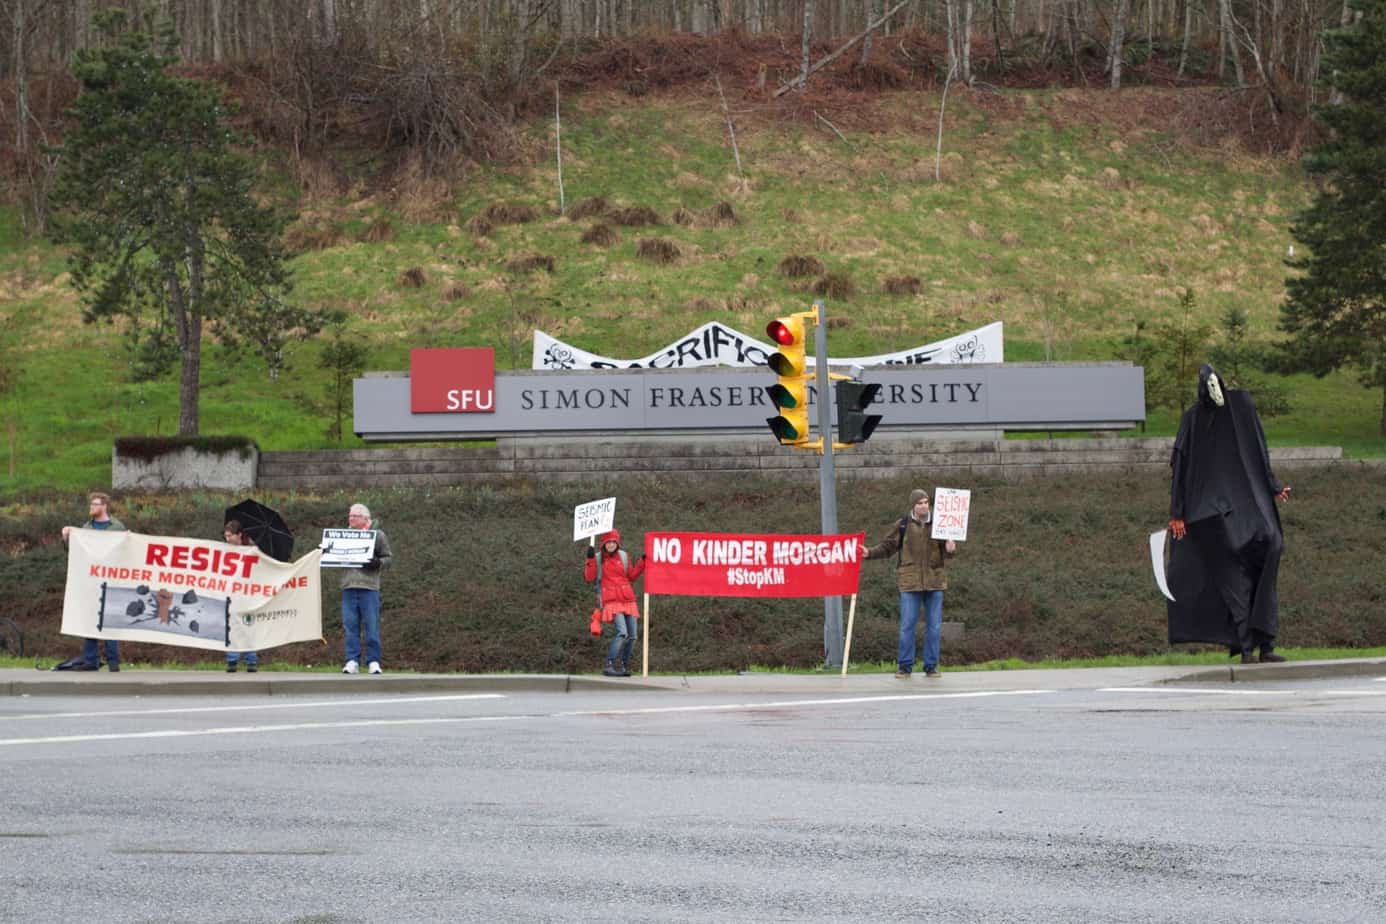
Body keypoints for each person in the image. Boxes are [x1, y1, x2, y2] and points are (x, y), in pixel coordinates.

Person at [1167, 364, 1291, 664]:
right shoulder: (1195, 421)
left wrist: (1273, 486)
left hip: (1246, 513)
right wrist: (1178, 513)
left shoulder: (1239, 410)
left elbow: (1257, 448)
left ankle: (1263, 644)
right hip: (1217, 517)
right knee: (1236, 581)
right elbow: (1182, 467)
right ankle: (1251, 647)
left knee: (1263, 566)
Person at [862, 488, 958, 678]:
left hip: (935, 582)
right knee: (907, 626)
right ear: (913, 505)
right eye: (919, 503)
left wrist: (951, 549)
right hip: (910, 583)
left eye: (925, 502)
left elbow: (947, 553)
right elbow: (888, 546)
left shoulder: (941, 524)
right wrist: (870, 553)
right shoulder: (903, 524)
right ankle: (905, 666)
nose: (923, 506)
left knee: (934, 627)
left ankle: (931, 666)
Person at [55, 492, 127, 672]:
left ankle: (113, 661)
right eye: (91, 504)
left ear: (104, 506)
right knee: (89, 620)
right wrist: (67, 538)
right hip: (90, 581)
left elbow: (125, 551)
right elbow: (76, 552)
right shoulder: (86, 527)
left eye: (95, 504)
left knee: (109, 620)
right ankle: (90, 660)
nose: (91, 507)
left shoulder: (116, 527)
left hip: (110, 580)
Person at [584, 529, 645, 677]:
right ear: (603, 544)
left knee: (633, 636)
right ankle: (609, 664)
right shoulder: (598, 558)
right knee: (622, 632)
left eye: (613, 542)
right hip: (612, 601)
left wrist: (643, 562)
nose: (611, 544)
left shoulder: (624, 556)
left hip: (628, 599)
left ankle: (622, 666)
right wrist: (590, 560)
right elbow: (589, 577)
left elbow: (631, 576)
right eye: (608, 542)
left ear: (617, 543)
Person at [341, 502, 391, 675]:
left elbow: (388, 558)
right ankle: (352, 660)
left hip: (369, 587)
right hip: (349, 585)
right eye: (350, 515)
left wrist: (378, 563)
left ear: (365, 518)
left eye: (355, 516)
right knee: (350, 626)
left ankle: (373, 660)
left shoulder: (378, 536)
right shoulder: (343, 536)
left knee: (371, 625)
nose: (351, 518)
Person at [222, 520, 259, 673]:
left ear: (239, 535)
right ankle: (232, 661)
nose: (227, 539)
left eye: (230, 536)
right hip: (230, 595)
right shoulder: (223, 551)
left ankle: (251, 661)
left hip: (247, 595)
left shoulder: (252, 551)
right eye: (225, 536)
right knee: (231, 629)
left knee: (249, 627)